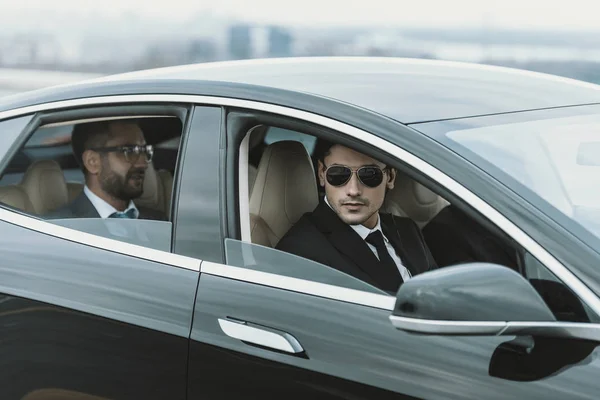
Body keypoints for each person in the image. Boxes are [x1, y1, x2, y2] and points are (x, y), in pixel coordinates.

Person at [276, 143, 437, 294]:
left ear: (390, 177)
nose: (353, 190)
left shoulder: (407, 230)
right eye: (338, 174)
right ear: (321, 174)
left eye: (369, 175)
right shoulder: (300, 251)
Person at [47, 120, 165, 220]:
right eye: (129, 151)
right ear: (92, 161)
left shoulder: (160, 222)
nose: (143, 164)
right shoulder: (60, 229)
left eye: (143, 150)